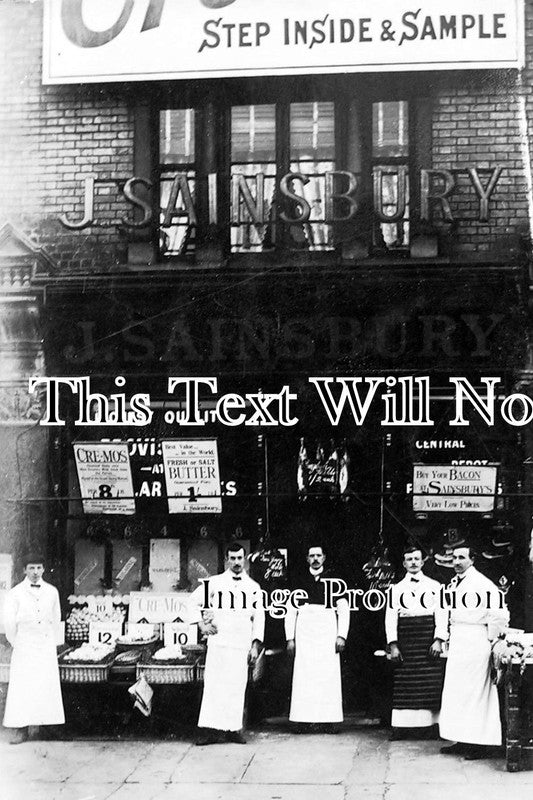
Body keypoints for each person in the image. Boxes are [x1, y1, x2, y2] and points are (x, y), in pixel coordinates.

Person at [188, 543, 265, 745]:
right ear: (226, 560)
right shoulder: (214, 583)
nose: (237, 562)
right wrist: (201, 626)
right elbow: (191, 602)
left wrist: (255, 645)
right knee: (214, 686)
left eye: (240, 558)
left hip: (241, 645)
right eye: (233, 558)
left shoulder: (253, 587)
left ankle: (233, 729)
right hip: (219, 644)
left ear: (245, 559)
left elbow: (259, 618)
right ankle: (209, 731)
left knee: (236, 687)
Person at [439, 544, 509, 759]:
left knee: (475, 692)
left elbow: (499, 615)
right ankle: (461, 738)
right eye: (454, 558)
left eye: (462, 557)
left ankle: (478, 744)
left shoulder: (482, 583)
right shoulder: (454, 583)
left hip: (476, 640)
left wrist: (491, 640)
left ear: (472, 559)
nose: (457, 562)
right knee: (458, 692)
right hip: (459, 639)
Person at [285, 545, 350, 731]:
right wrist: (290, 638)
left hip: (327, 632)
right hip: (304, 633)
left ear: (324, 558)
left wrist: (341, 636)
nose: (315, 558)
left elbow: (343, 610)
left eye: (318, 555)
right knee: (304, 676)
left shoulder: (334, 580)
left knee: (327, 675)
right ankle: (302, 720)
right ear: (307, 558)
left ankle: (329, 720)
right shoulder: (298, 579)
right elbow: (290, 610)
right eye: (311, 555)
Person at [385, 546, 447, 739]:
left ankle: (431, 727)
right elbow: (390, 618)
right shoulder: (395, 590)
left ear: (422, 562)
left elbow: (442, 614)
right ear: (404, 563)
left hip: (427, 638)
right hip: (406, 638)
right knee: (405, 683)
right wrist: (393, 645)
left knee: (429, 682)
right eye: (409, 559)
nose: (413, 562)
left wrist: (438, 640)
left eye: (416, 559)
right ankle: (401, 728)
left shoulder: (436, 586)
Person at [3, 553, 65, 744]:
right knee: (23, 686)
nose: (36, 572)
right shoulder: (15, 593)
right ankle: (20, 729)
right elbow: (9, 624)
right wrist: (18, 642)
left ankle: (47, 727)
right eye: (31, 568)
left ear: (44, 569)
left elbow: (56, 619)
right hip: (24, 644)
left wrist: (51, 642)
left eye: (39, 568)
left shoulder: (52, 591)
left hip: (45, 643)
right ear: (24, 570)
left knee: (46, 685)